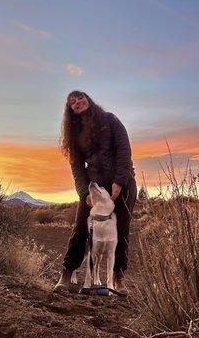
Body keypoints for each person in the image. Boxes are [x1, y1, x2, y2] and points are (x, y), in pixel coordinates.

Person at [54, 90, 137, 294]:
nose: (77, 102)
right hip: (95, 189)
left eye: (80, 97)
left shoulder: (110, 120)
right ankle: (67, 274)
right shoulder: (74, 134)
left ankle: (118, 279)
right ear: (70, 110)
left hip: (123, 183)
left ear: (88, 99)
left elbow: (124, 150)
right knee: (81, 228)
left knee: (121, 230)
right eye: (72, 102)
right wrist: (85, 194)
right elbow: (77, 168)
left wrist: (119, 181)